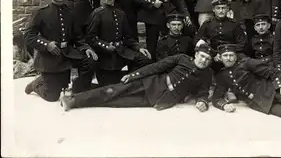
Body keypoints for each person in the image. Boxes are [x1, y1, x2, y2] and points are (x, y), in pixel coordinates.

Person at [60, 44, 215, 112]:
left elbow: (203, 92)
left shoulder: (207, 74)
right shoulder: (182, 58)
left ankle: (80, 91)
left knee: (117, 102)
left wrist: (202, 102)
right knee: (112, 91)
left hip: (160, 99)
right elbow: (156, 67)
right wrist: (133, 75)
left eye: (208, 59)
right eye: (202, 56)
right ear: (196, 54)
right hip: (150, 84)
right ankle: (73, 101)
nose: (204, 61)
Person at [24, 0, 98, 102]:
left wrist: (86, 48)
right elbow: (29, 36)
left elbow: (78, 37)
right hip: (50, 56)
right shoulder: (41, 13)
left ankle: (78, 90)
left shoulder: (70, 13)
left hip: (67, 53)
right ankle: (36, 84)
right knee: (52, 96)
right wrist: (46, 44)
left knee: (89, 60)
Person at [86, 0, 153, 87]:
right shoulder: (97, 13)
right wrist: (105, 46)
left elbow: (128, 37)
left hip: (121, 52)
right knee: (111, 86)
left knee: (144, 59)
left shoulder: (120, 13)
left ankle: (135, 83)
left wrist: (139, 47)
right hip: (105, 55)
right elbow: (91, 38)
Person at [194, 0, 247, 103]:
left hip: (229, 55)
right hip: (213, 55)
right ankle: (209, 88)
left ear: (228, 9)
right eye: (218, 8)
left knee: (240, 61)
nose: (221, 10)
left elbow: (243, 43)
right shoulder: (207, 24)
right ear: (213, 10)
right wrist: (213, 54)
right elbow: (197, 42)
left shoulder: (234, 24)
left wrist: (227, 53)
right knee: (203, 61)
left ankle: (231, 89)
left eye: (223, 8)